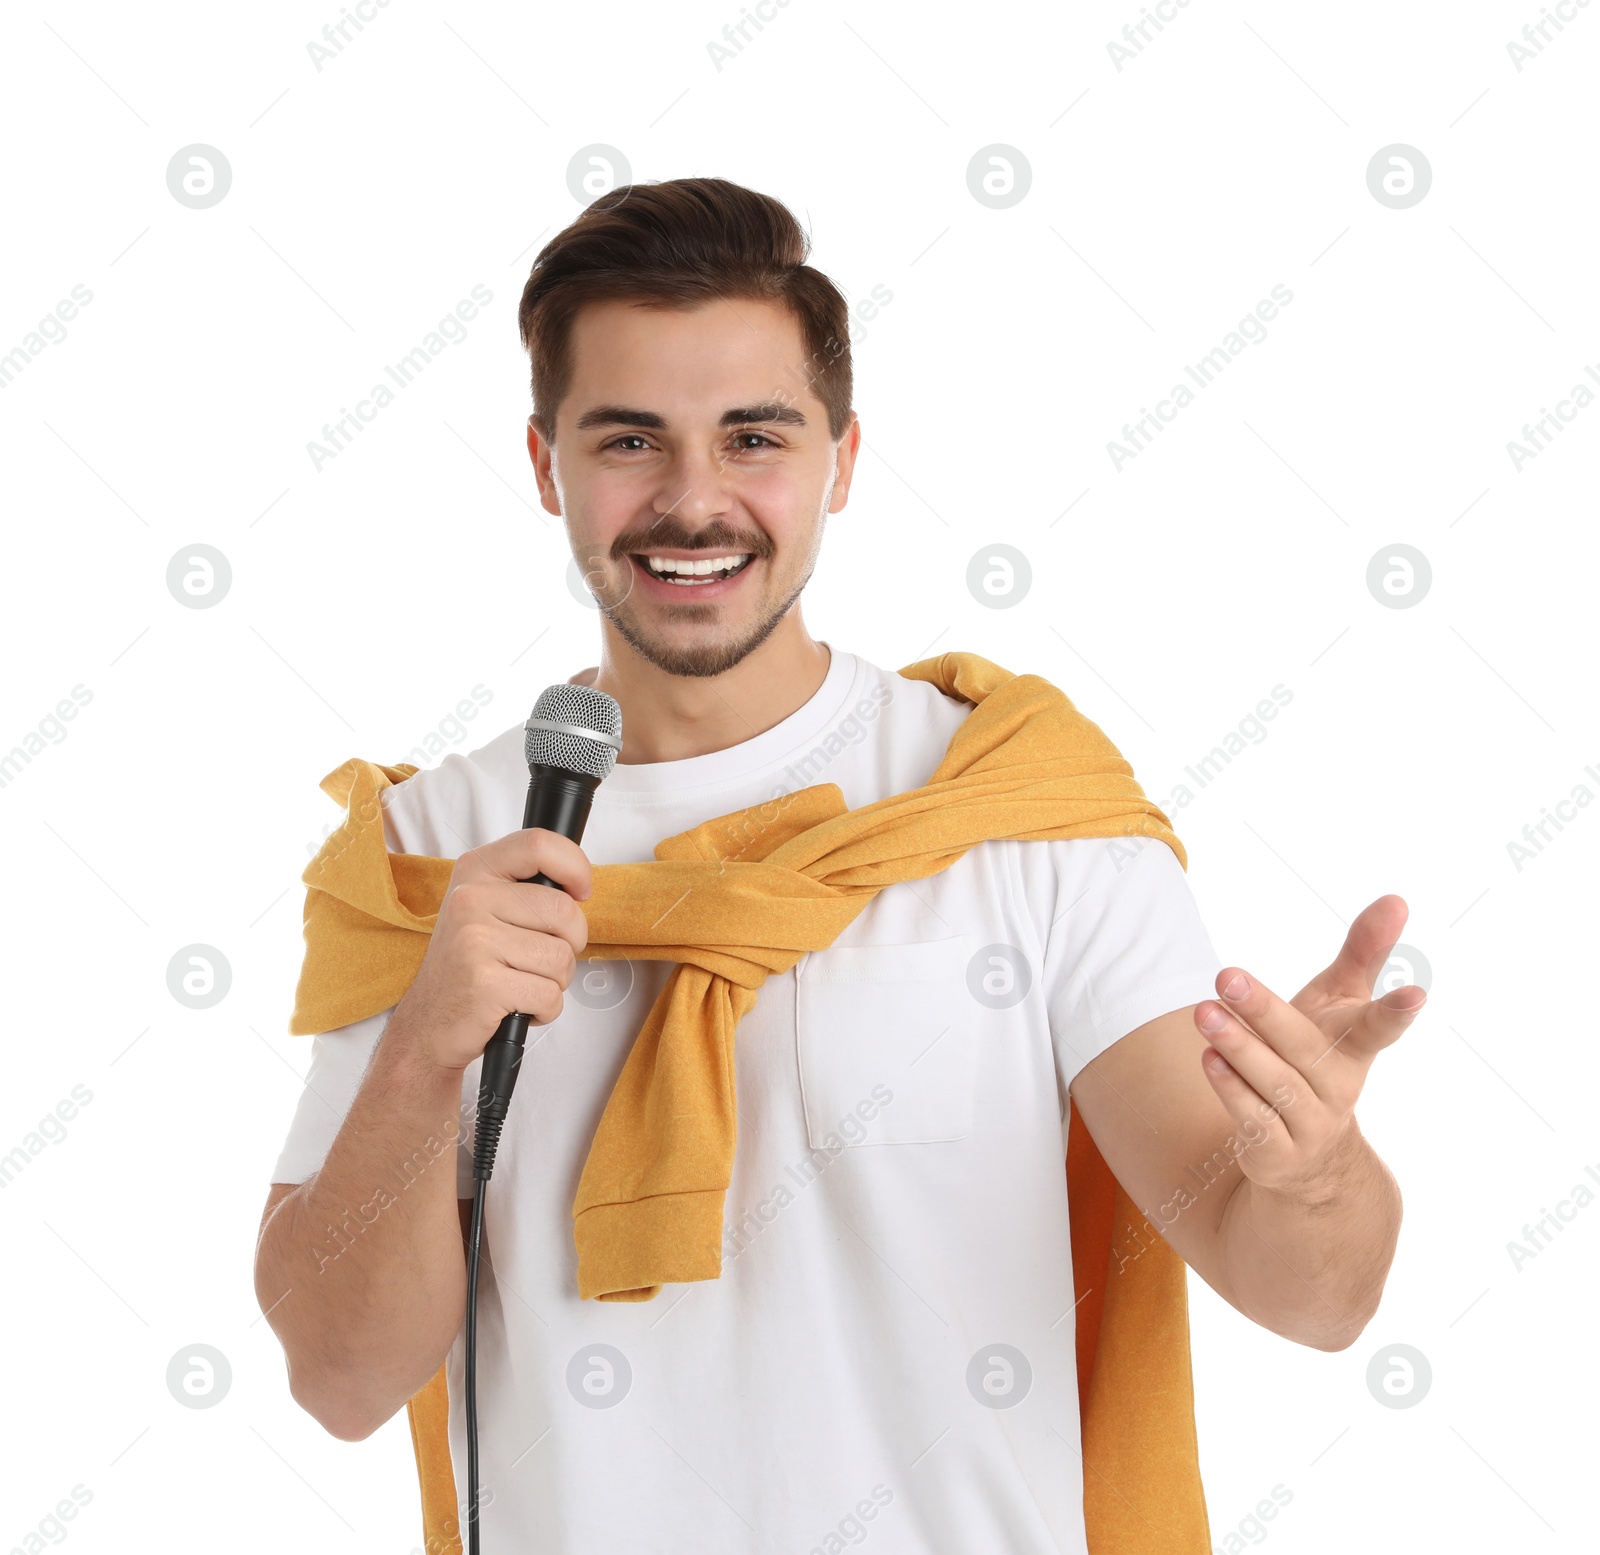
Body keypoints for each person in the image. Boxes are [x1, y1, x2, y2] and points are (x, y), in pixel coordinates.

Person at [254, 177, 1421, 1554]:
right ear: (544, 463)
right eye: (629, 439)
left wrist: (1312, 1174)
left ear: (844, 460)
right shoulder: (424, 857)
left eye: (755, 437)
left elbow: (1315, 1298)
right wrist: (423, 1057)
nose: (694, 503)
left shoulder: (1018, 815)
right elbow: (339, 1382)